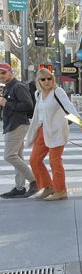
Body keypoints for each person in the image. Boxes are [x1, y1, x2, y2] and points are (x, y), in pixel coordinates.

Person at [25, 67, 81, 201]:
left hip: (56, 131)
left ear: (53, 79)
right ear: (38, 81)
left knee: (54, 161)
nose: (46, 81)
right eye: (43, 79)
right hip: (41, 130)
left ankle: (61, 190)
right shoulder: (38, 94)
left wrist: (81, 123)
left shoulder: (58, 92)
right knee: (34, 160)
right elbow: (38, 113)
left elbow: (69, 108)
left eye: (49, 78)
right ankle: (47, 186)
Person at [0, 62, 37, 198]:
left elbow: (28, 105)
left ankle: (34, 180)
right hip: (12, 124)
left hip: (17, 125)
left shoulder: (18, 86)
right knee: (18, 156)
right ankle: (19, 187)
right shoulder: (9, 87)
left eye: (3, 72)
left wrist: (6, 103)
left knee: (9, 155)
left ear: (11, 72)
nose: (1, 75)